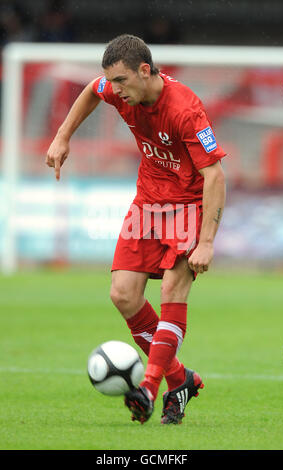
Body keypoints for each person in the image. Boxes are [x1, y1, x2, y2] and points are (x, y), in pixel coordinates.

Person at [46, 34, 227, 425]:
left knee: (169, 292)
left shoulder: (185, 111)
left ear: (145, 71)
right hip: (147, 203)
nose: (115, 90)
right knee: (123, 295)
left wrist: (207, 242)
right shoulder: (116, 89)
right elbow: (90, 92)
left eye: (122, 81)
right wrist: (63, 136)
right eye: (112, 81)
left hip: (188, 207)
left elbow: (214, 177)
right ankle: (181, 379)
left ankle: (148, 387)